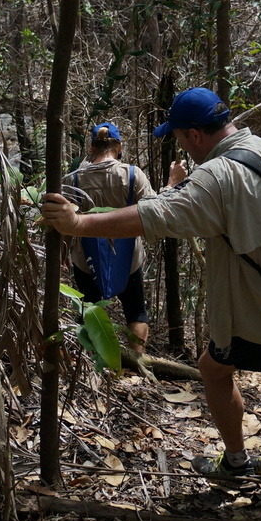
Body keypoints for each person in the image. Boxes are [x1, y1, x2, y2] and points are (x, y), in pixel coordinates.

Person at [42, 88, 261, 482]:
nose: (182, 145)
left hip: (251, 309)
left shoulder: (217, 174)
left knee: (213, 371)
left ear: (194, 135)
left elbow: (154, 216)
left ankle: (236, 463)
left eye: (180, 137)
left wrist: (78, 224)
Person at [63, 122, 156, 353]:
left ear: (92, 147)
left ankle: (92, 362)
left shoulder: (74, 179)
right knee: (136, 311)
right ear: (119, 146)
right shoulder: (132, 175)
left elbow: (63, 222)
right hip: (129, 257)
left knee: (90, 311)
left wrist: (64, 252)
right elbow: (154, 210)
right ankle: (137, 363)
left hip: (85, 259)